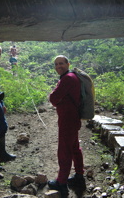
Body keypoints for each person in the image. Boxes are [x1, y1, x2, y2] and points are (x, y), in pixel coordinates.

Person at [48, 55, 85, 197]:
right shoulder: (72, 77)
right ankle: (79, 177)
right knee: (75, 147)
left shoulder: (67, 78)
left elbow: (53, 98)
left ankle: (61, 183)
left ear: (68, 64)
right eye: (56, 64)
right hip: (73, 118)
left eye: (61, 63)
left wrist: (54, 95)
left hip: (67, 120)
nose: (59, 66)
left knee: (64, 150)